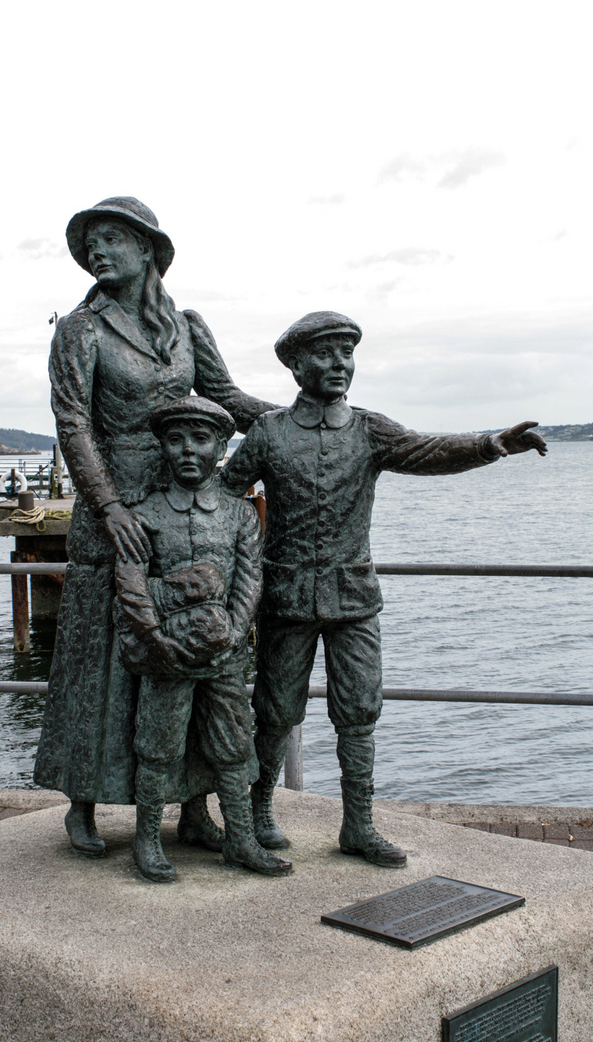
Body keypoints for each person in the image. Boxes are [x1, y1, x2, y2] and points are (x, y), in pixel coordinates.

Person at [221, 310, 547, 868]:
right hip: (286, 597)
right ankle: (258, 813)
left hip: (353, 601)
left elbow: (427, 451)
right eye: (324, 353)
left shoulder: (369, 430)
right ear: (296, 364)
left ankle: (359, 825)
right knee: (274, 712)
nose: (339, 364)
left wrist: (493, 443)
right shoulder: (269, 432)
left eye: (346, 353)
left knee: (359, 713)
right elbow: (224, 496)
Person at [33, 197, 276, 857]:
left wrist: (291, 420)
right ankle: (81, 803)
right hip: (115, 513)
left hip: (188, 505)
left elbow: (225, 399)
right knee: (98, 664)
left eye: (111, 239)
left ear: (149, 249)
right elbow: (73, 425)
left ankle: (194, 808)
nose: (97, 253)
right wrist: (108, 507)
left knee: (194, 654)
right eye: (91, 245)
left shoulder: (189, 328)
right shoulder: (81, 330)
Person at [114, 396, 292, 881]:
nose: (187, 450)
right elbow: (130, 582)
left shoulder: (239, 515)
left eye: (200, 439)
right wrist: (154, 638)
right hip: (165, 656)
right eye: (175, 440)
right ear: (163, 449)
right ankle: (146, 839)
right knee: (158, 746)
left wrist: (235, 631)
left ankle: (241, 839)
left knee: (233, 744)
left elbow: (249, 579)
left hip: (225, 656)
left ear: (220, 448)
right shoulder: (143, 514)